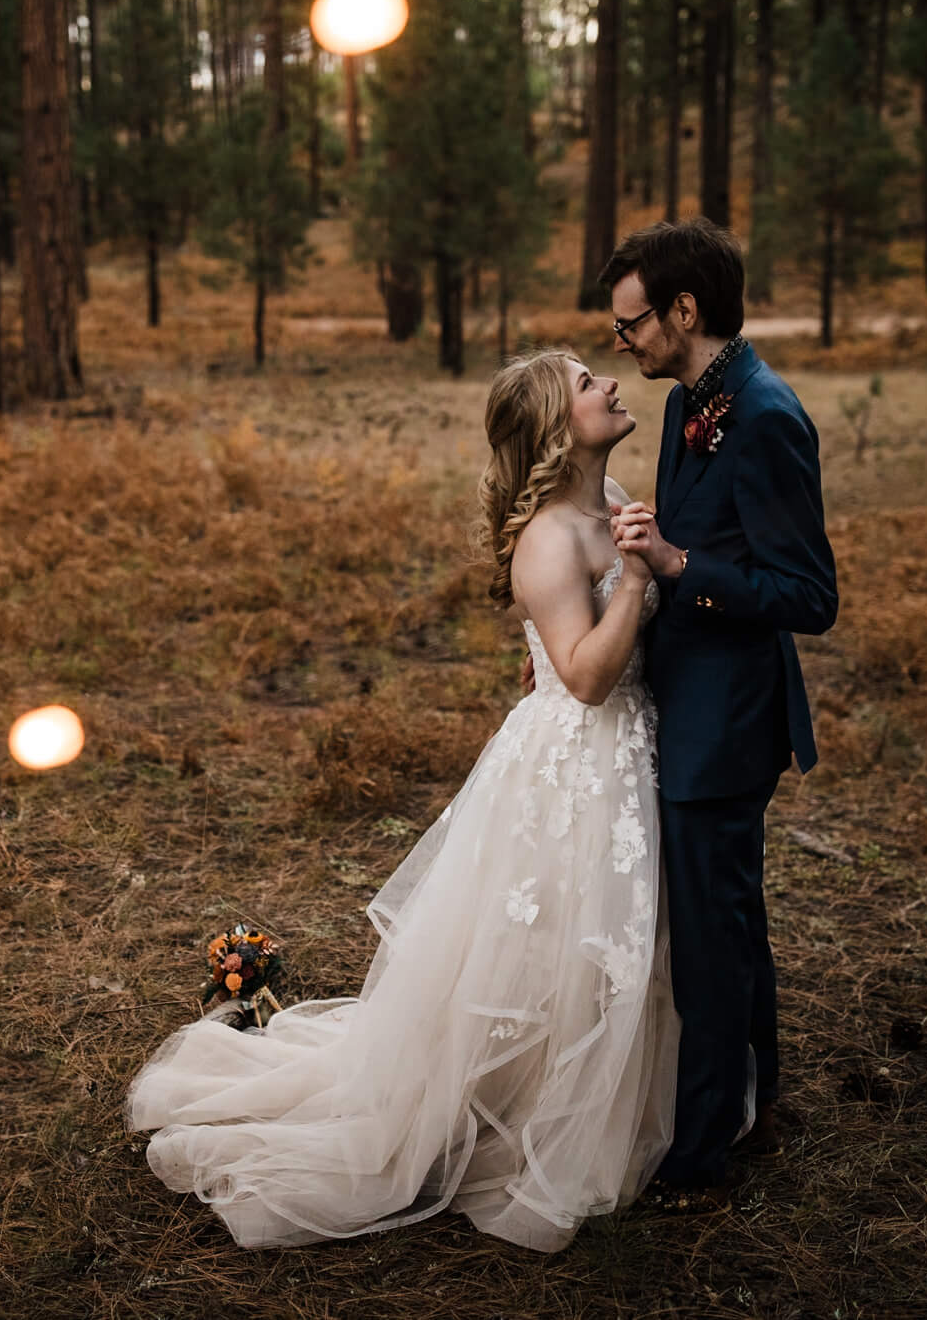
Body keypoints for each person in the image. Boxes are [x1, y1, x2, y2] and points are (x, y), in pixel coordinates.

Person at [126, 348, 679, 1252]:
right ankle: (516, 1114)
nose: (611, 384)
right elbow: (581, 677)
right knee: (551, 949)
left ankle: (596, 1096)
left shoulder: (611, 499)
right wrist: (644, 578)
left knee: (610, 945)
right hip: (578, 755)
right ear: (552, 425)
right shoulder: (548, 535)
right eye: (587, 383)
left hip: (623, 760)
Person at [589, 217, 838, 1212]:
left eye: (629, 321)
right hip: (683, 706)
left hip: (725, 725)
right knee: (720, 920)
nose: (619, 340)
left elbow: (807, 595)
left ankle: (700, 1147)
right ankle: (747, 1101)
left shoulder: (764, 414)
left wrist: (683, 567)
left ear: (683, 311)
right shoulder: (695, 401)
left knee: (708, 935)